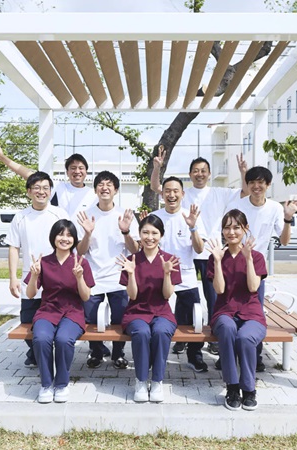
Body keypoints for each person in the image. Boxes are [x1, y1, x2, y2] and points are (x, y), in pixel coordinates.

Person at [150, 147, 248, 355]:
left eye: (203, 170)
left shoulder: (219, 192)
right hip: (185, 253)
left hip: (210, 252)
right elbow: (156, 186)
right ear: (190, 173)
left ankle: (213, 336)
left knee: (212, 297)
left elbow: (245, 191)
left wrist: (243, 173)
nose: (199, 174)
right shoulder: (182, 193)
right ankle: (181, 336)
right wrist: (157, 167)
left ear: (209, 173)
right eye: (195, 170)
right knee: (183, 297)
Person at [225, 165, 297, 372]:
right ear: (247, 185)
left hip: (256, 268)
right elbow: (227, 233)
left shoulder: (275, 208)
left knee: (255, 314)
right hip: (234, 266)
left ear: (268, 185)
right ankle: (229, 356)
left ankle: (255, 356)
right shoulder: (237, 205)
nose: (256, 186)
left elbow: (284, 241)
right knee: (229, 312)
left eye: (260, 182)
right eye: (252, 182)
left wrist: (288, 218)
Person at [75, 170, 140, 370]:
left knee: (119, 318)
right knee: (90, 318)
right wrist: (87, 234)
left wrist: (126, 231)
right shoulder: (86, 215)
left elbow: (135, 250)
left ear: (116, 190)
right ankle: (96, 352)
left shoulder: (125, 215)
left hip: (118, 277)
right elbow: (80, 251)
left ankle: (118, 354)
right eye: (101, 184)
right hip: (93, 277)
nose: (105, 188)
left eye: (109, 184)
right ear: (95, 189)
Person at [26, 219, 95, 404]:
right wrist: (34, 276)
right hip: (47, 311)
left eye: (69, 235)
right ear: (53, 237)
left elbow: (86, 296)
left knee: (64, 339)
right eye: (60, 234)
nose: (65, 239)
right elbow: (30, 294)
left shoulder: (81, 263)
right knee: (41, 339)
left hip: (73, 313)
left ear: (74, 239)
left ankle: (62, 384)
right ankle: (46, 385)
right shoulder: (43, 262)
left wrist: (79, 278)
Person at [5, 171, 69, 368]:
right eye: (37, 188)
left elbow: (69, 244)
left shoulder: (59, 214)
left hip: (56, 278)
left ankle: (50, 352)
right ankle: (35, 352)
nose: (41, 192)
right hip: (30, 278)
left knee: (58, 319)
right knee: (28, 320)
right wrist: (13, 277)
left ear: (50, 191)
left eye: (45, 188)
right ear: (29, 192)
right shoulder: (20, 217)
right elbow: (14, 247)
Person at [116, 214, 181, 403]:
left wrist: (167, 274)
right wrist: (131, 274)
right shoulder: (131, 260)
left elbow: (167, 295)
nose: (149, 237)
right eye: (145, 232)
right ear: (139, 234)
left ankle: (157, 380)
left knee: (161, 332)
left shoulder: (170, 260)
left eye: (154, 233)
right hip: (136, 312)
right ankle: (141, 381)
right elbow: (132, 295)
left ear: (161, 235)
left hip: (162, 312)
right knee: (142, 332)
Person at [207, 209, 267, 411]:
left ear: (245, 229)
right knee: (227, 328)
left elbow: (253, 287)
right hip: (224, 312)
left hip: (252, 314)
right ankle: (232, 387)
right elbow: (219, 290)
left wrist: (248, 259)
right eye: (227, 227)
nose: (231, 232)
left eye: (236, 227)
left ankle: (249, 389)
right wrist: (217, 261)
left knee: (245, 338)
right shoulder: (216, 257)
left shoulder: (257, 257)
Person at [151, 176, 209, 372]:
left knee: (195, 317)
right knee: (153, 316)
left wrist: (192, 227)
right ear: (162, 194)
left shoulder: (191, 216)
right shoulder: (155, 217)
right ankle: (152, 355)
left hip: (186, 275)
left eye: (175, 191)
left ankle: (195, 356)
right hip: (158, 276)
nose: (171, 195)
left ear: (182, 194)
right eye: (167, 190)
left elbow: (199, 249)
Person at [0, 144, 97, 217]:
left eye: (81, 168)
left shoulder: (94, 194)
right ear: (67, 172)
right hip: (60, 240)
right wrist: (2, 157)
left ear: (86, 171)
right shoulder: (58, 186)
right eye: (73, 168)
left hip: (84, 241)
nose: (77, 171)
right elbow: (27, 173)